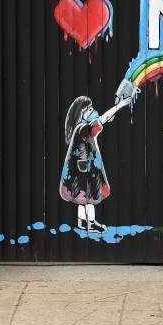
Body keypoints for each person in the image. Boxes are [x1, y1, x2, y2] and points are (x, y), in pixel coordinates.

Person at [59, 95, 131, 233]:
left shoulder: (80, 127)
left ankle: (81, 222)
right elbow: (102, 119)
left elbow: (104, 121)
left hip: (81, 168)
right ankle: (91, 223)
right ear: (82, 112)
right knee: (89, 197)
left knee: (80, 197)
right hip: (85, 169)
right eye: (89, 109)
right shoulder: (83, 128)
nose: (93, 111)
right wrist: (120, 105)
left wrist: (114, 109)